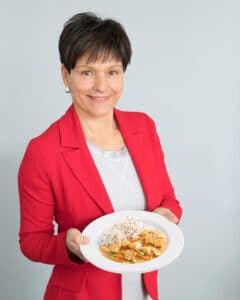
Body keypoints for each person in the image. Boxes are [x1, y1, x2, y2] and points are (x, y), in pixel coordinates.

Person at [18, 12, 182, 300]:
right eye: (87, 72)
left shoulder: (144, 127)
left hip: (142, 292)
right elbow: (31, 241)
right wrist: (67, 246)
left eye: (112, 72)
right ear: (65, 75)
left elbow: (169, 200)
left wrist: (166, 216)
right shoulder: (43, 150)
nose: (101, 86)